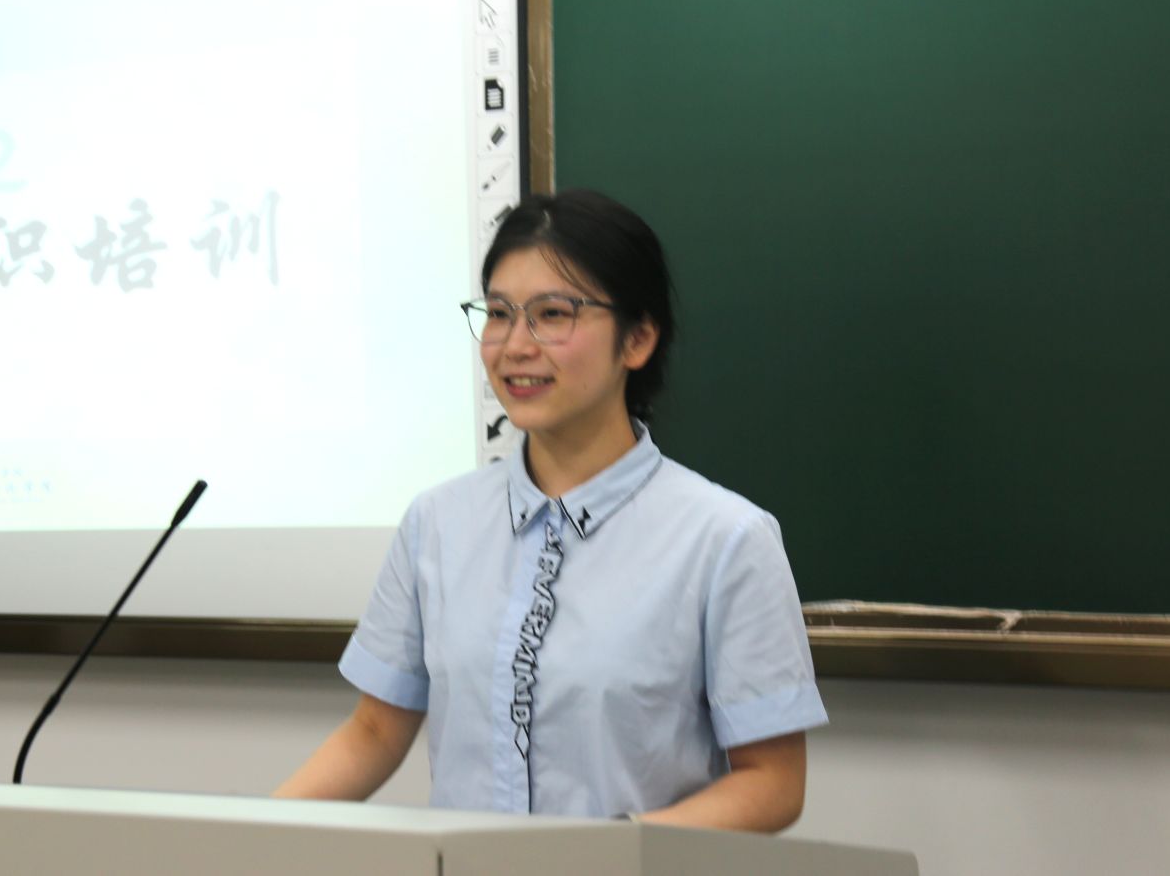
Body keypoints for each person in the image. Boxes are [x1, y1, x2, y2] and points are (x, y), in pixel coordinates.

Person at [274, 189, 825, 829]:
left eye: (552, 314)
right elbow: (373, 731)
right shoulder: (438, 523)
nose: (514, 345)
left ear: (638, 338)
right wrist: (240, 835)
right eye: (499, 314)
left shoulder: (725, 539)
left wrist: (606, 857)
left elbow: (773, 784)